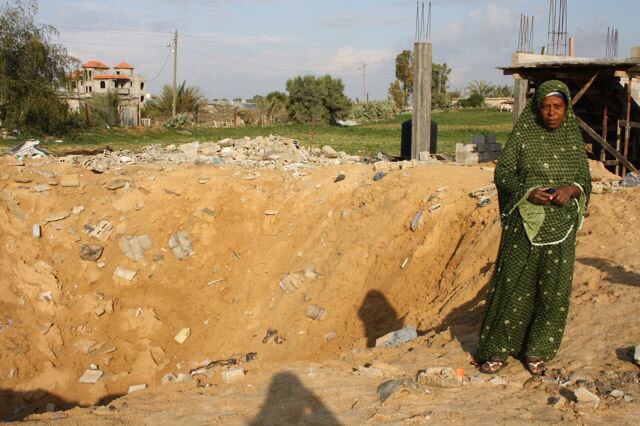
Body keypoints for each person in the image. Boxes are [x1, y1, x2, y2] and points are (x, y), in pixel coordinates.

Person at [475, 80, 592, 375]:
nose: (552, 112)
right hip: (524, 226)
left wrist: (572, 189)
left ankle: (537, 351)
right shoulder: (523, 136)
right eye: (546, 106)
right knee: (514, 286)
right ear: (537, 108)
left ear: (566, 108)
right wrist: (527, 191)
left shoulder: (572, 140)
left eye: (558, 106)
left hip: (561, 228)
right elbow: (503, 173)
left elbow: (585, 181)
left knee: (553, 291)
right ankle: (497, 351)